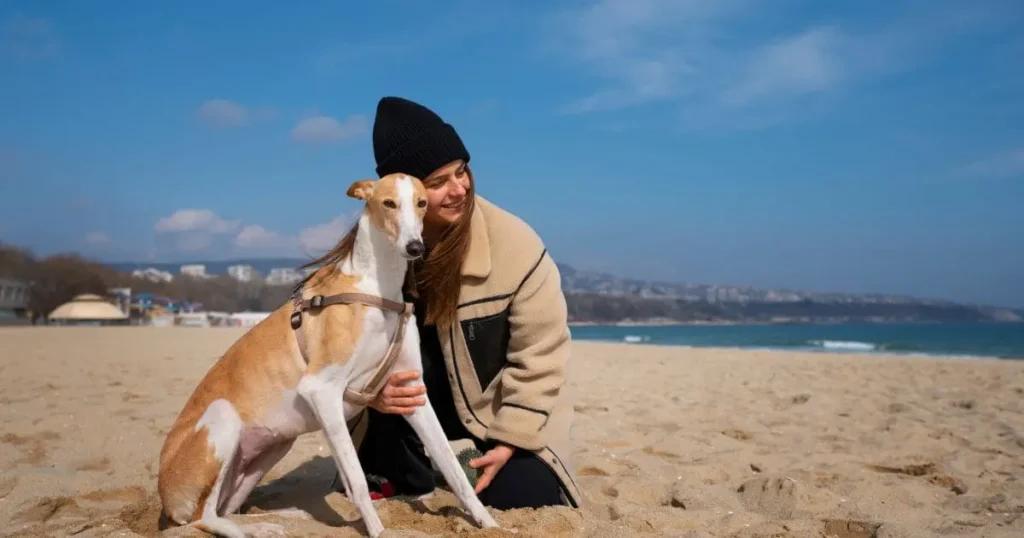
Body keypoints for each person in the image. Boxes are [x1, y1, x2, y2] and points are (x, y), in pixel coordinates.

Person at [332, 96, 581, 510]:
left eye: (462, 171)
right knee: (371, 486)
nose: (459, 188)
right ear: (407, 189)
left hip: (494, 417)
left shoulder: (516, 244)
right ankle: (405, 464)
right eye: (438, 180)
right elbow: (323, 348)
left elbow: (542, 354)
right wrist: (366, 396)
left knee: (525, 497)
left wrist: (510, 439)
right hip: (401, 418)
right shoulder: (368, 252)